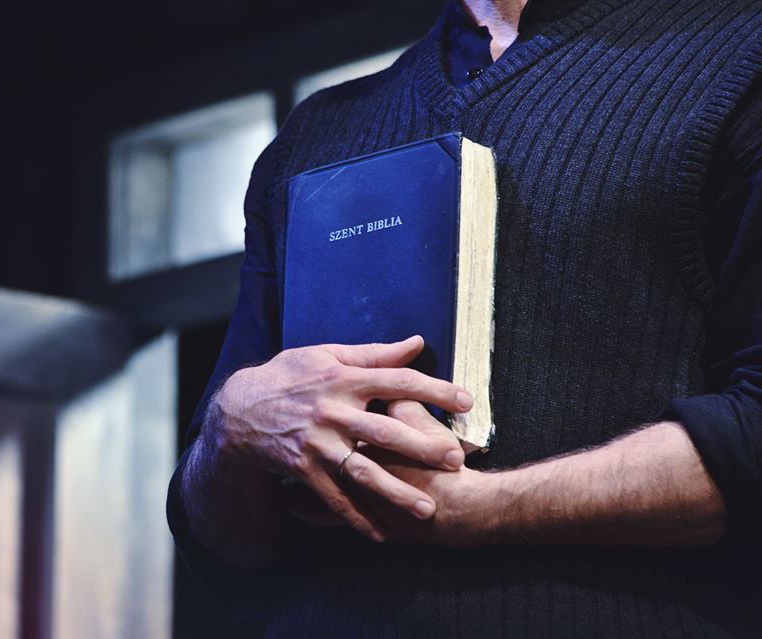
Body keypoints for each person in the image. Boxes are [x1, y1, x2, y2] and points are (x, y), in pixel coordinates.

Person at [167, 0, 762, 636]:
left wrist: (482, 509)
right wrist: (233, 424)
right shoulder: (313, 134)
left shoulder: (739, 55)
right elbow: (223, 549)